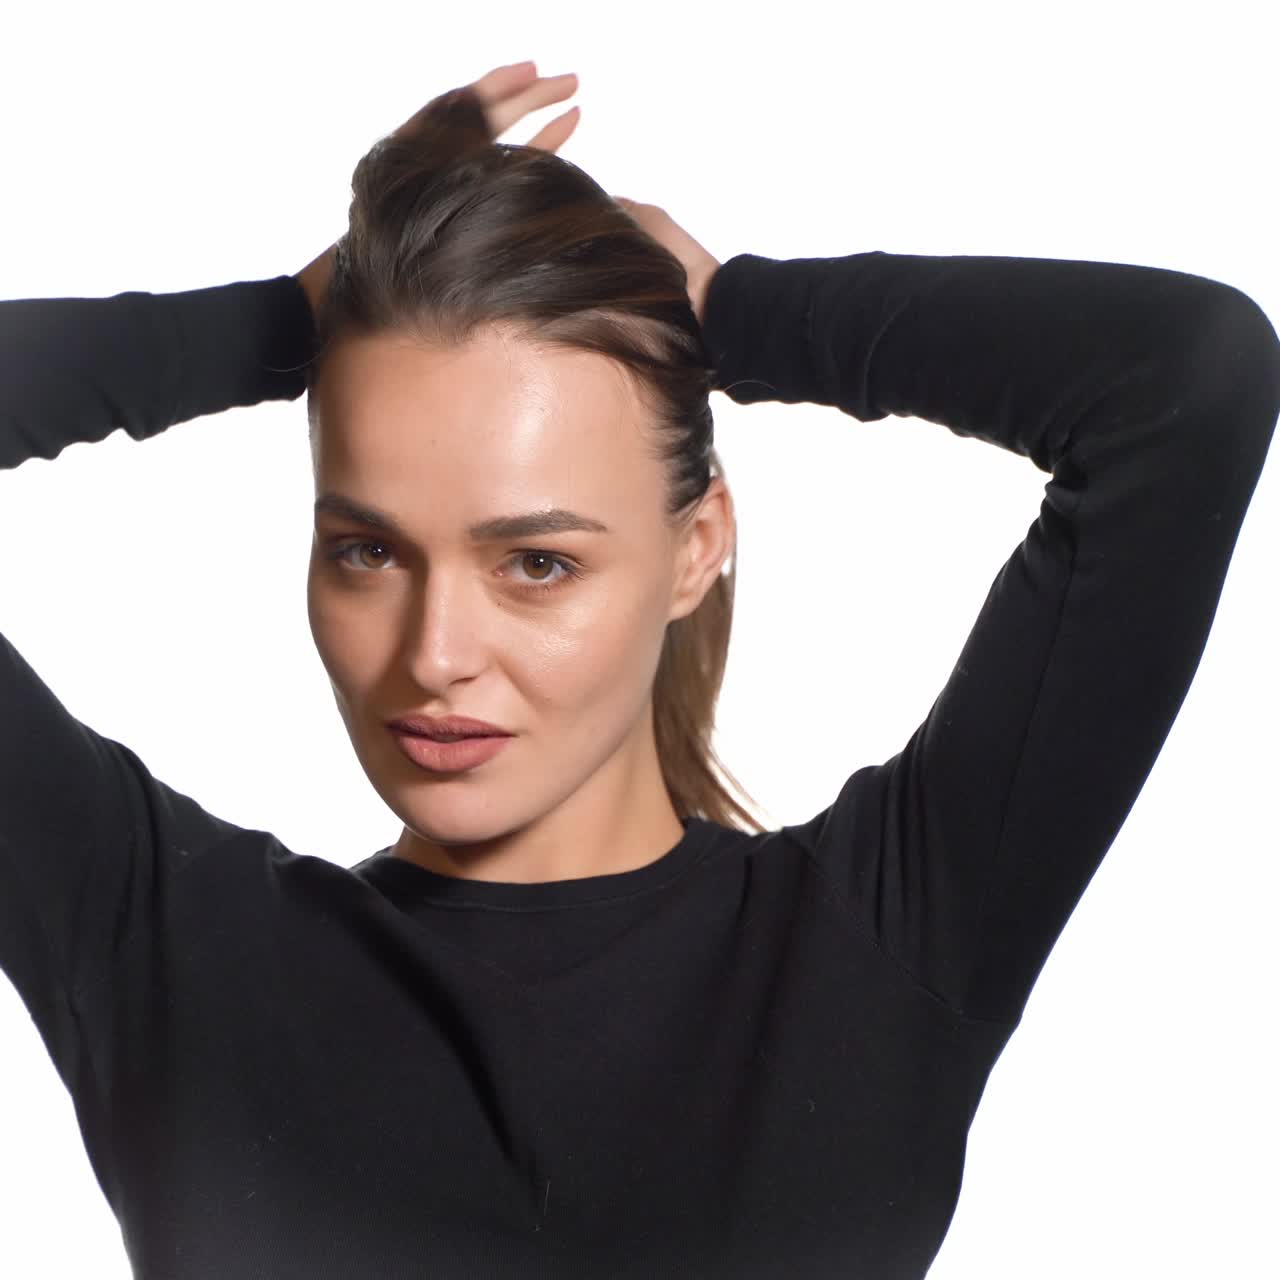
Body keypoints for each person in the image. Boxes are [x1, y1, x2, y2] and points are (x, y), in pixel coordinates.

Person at [1, 56, 1277, 1280]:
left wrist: (741, 316)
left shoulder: (878, 941)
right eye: (368, 550)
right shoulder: (163, 951)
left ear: (693, 548)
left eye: (536, 562)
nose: (435, 655)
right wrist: (287, 325)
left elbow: (1186, 376)